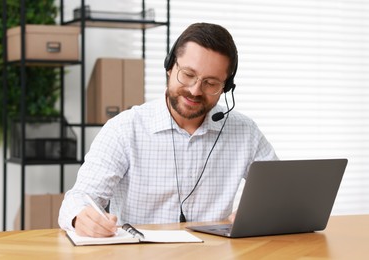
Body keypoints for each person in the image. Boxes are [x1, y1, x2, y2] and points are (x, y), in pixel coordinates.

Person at [58, 22, 278, 238]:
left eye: (211, 83)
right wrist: (81, 217)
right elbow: (79, 198)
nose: (195, 90)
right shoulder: (124, 129)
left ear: (226, 88)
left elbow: (282, 193)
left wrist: (260, 214)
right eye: (188, 75)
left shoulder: (245, 131)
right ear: (170, 66)